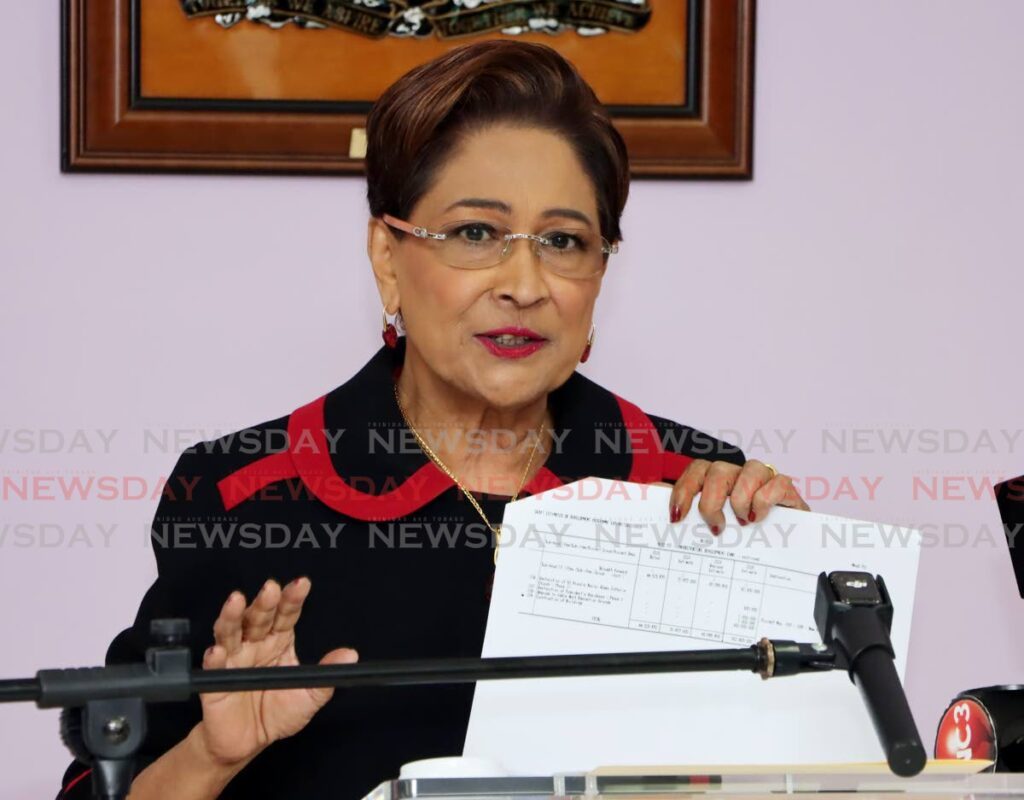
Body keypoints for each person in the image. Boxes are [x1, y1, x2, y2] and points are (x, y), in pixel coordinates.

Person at [59, 39, 808, 800]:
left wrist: (791, 577)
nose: (524, 284)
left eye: (563, 241)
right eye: (476, 233)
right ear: (388, 256)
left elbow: (801, 772)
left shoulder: (687, 492)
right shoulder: (245, 494)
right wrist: (213, 755)